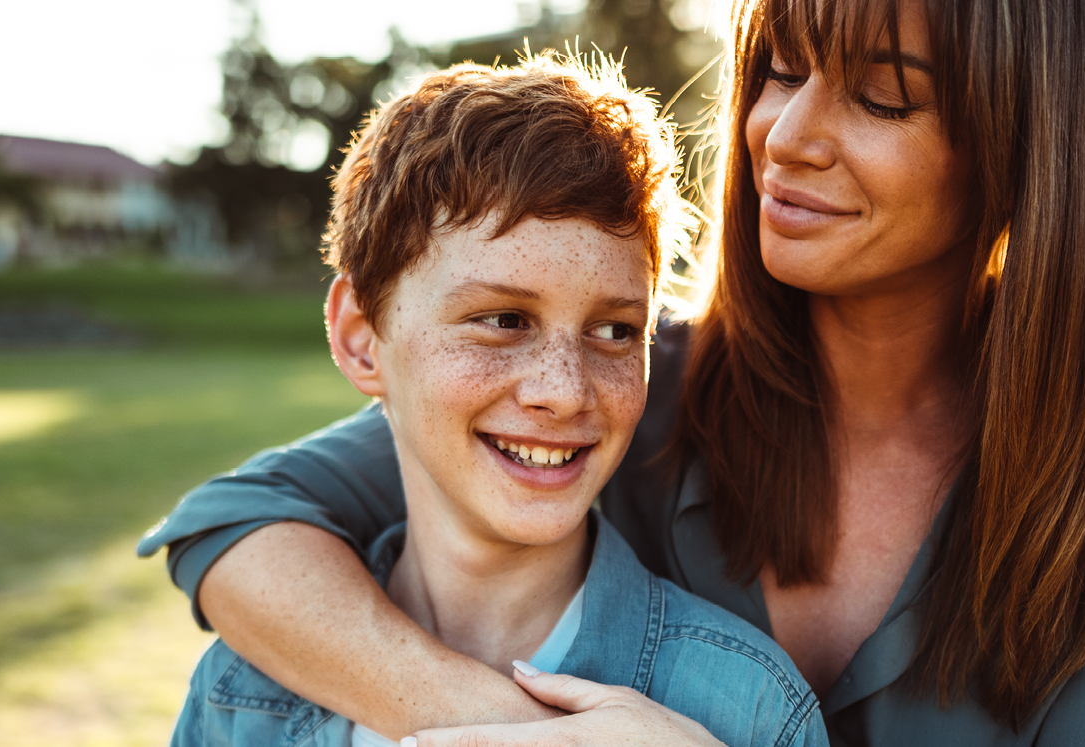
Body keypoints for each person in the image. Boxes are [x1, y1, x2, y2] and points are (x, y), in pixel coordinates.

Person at [141, 0, 1085, 743]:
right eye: (781, 71)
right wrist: (507, 730)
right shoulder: (634, 383)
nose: (781, 134)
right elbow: (236, 526)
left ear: (1036, 141)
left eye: (882, 97)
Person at [158, 56, 825, 747]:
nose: (564, 390)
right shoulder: (239, 696)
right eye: (503, 320)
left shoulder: (748, 706)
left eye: (614, 330)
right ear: (361, 340)